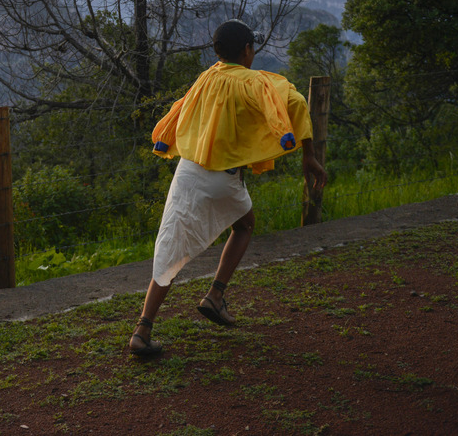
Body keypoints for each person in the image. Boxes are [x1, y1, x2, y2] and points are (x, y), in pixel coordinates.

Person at [129, 19, 327, 356]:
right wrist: (308, 154)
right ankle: (216, 294)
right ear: (247, 51)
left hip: (188, 173)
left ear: (218, 51)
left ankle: (142, 330)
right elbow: (293, 103)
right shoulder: (256, 81)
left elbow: (180, 109)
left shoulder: (206, 77)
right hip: (224, 179)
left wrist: (163, 139)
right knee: (246, 225)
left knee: (170, 251)